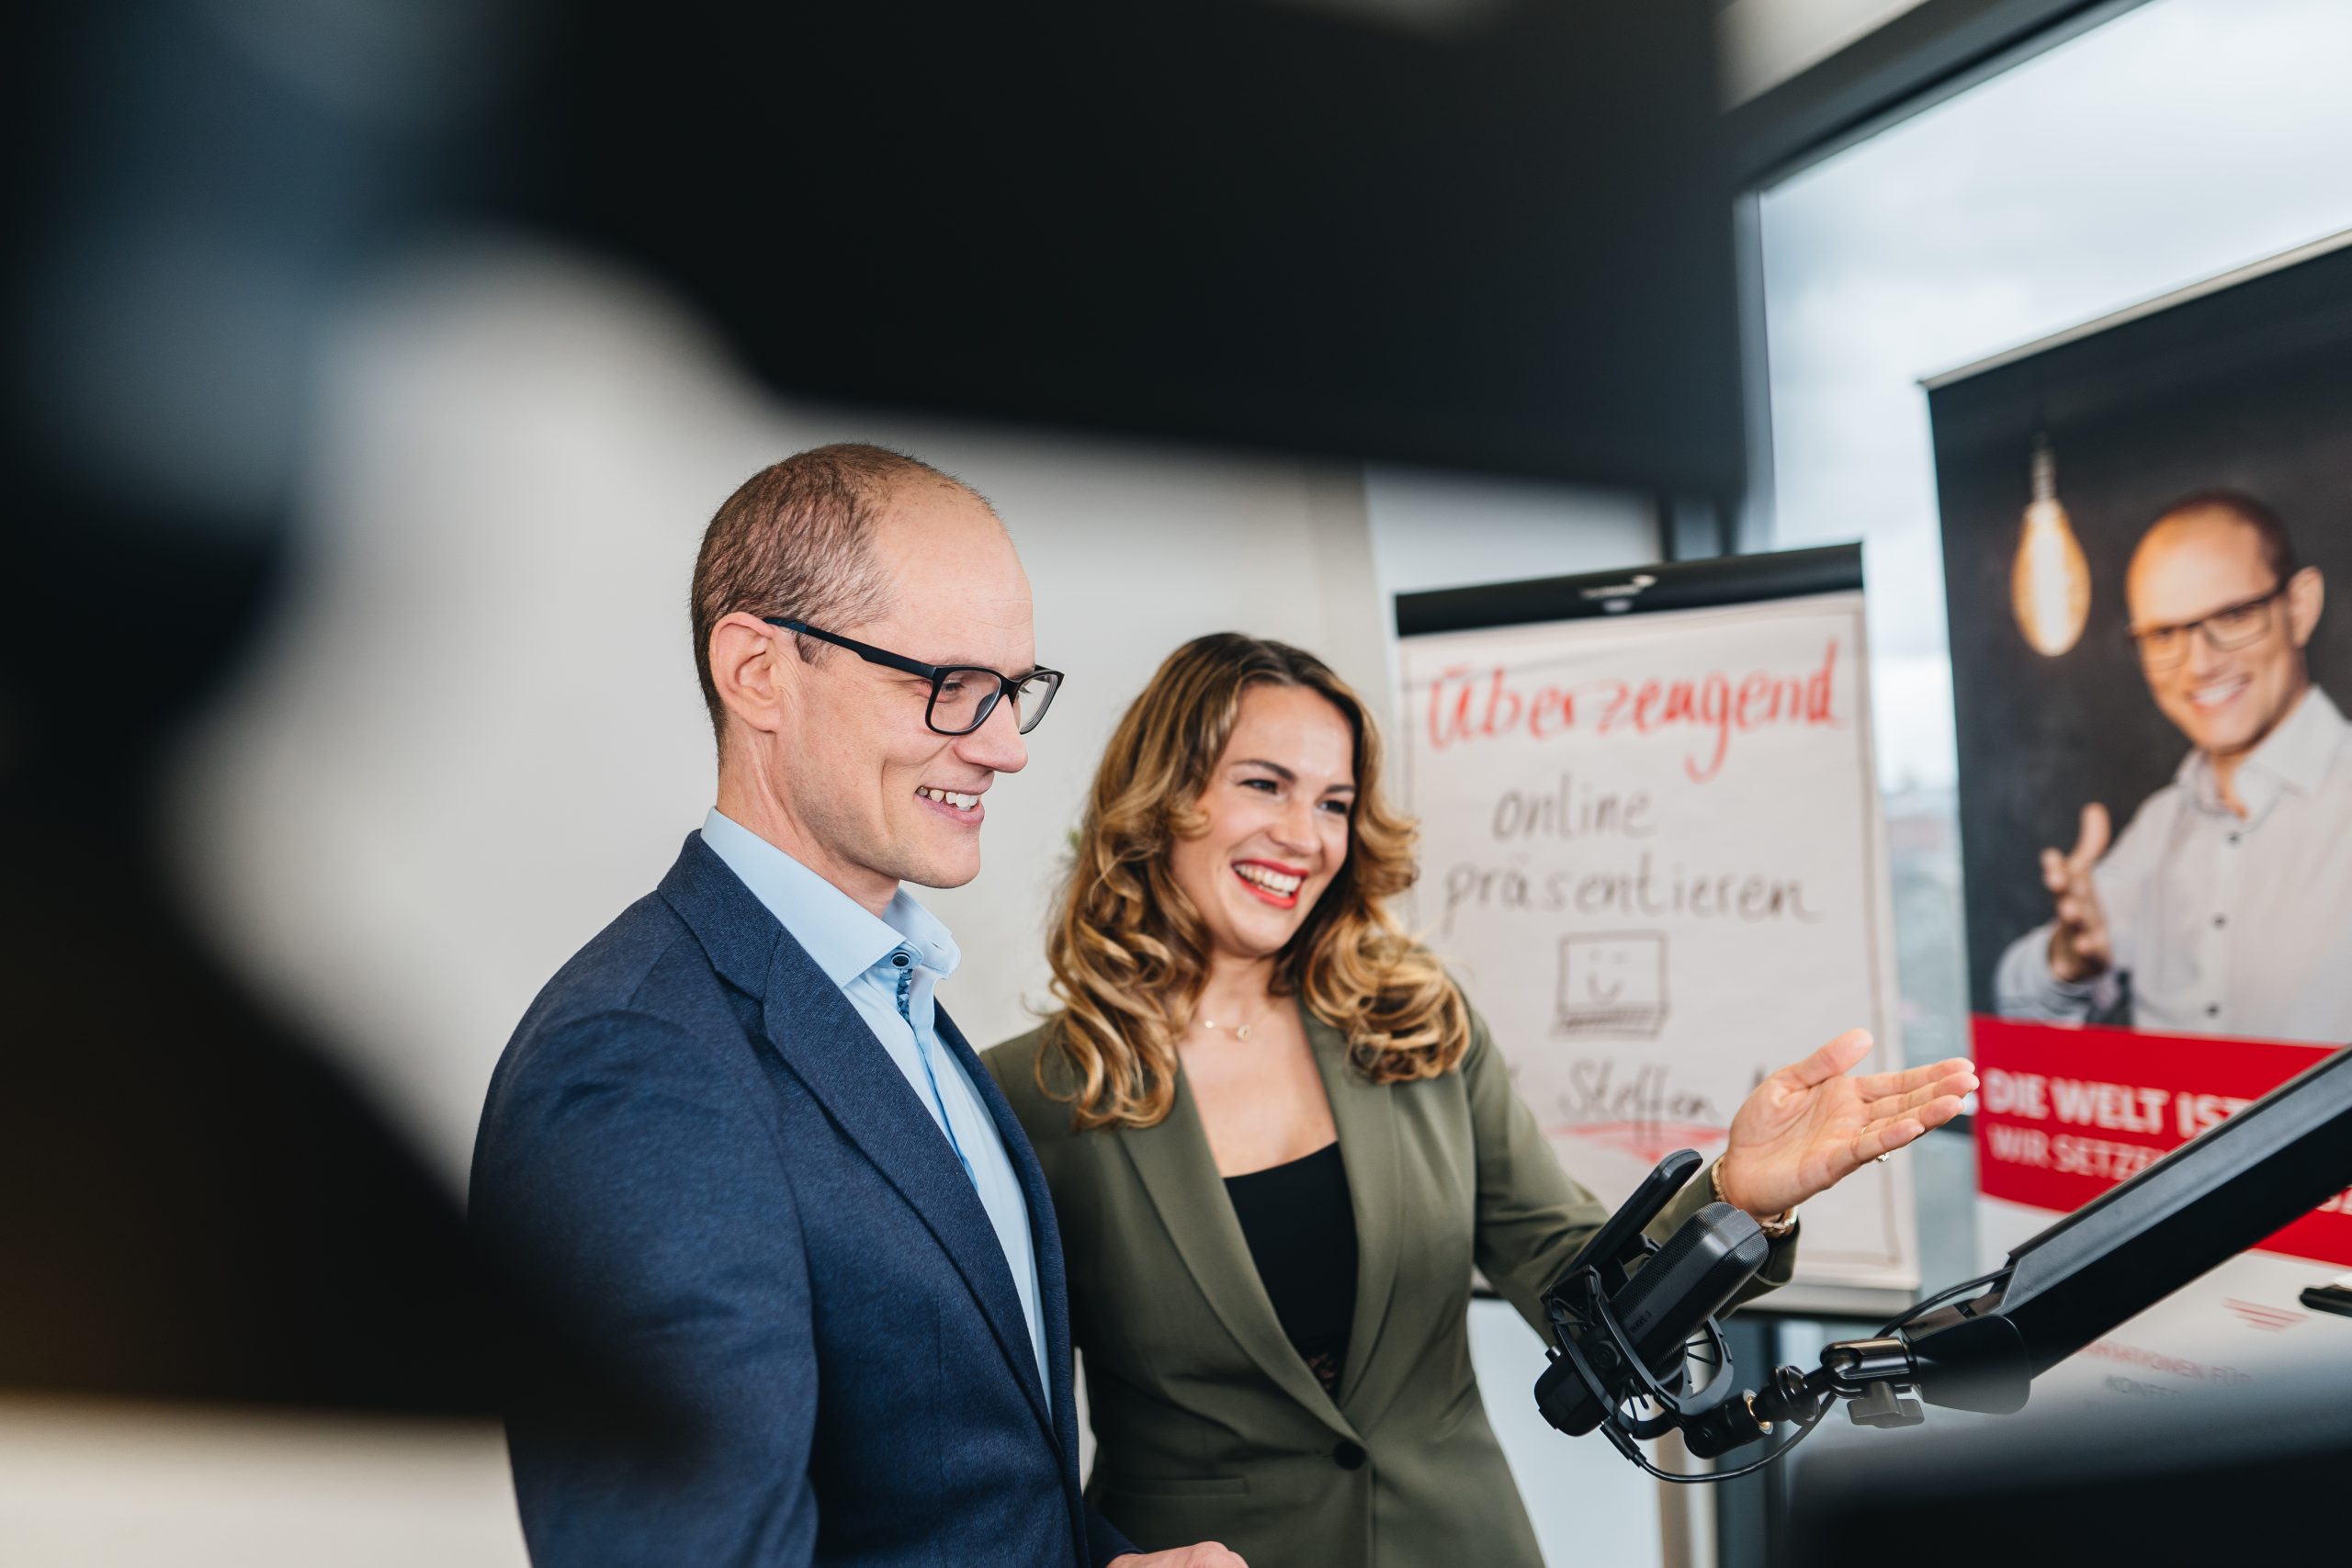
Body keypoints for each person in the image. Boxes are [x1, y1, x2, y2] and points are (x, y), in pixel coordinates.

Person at [985, 634, 1976, 1565]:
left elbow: (1569, 1283)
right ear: (1162, 802)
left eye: (1334, 802)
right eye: (1263, 785)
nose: (1303, 835)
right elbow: (993, 1431)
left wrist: (1738, 1196)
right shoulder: (1025, 1097)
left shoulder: (1411, 1027)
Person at [470, 446, 1241, 1567]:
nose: (1006, 746)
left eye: (1013, 690)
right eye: (949, 686)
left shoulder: (897, 1002)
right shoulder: (637, 1063)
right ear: (757, 672)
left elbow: (956, 1485)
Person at [1996, 491, 2350, 1042]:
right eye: (2164, 635)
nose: (2200, 664)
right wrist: (2067, 959)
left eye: (2233, 615)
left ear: (2299, 608)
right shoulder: (2161, 825)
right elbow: (2020, 1009)